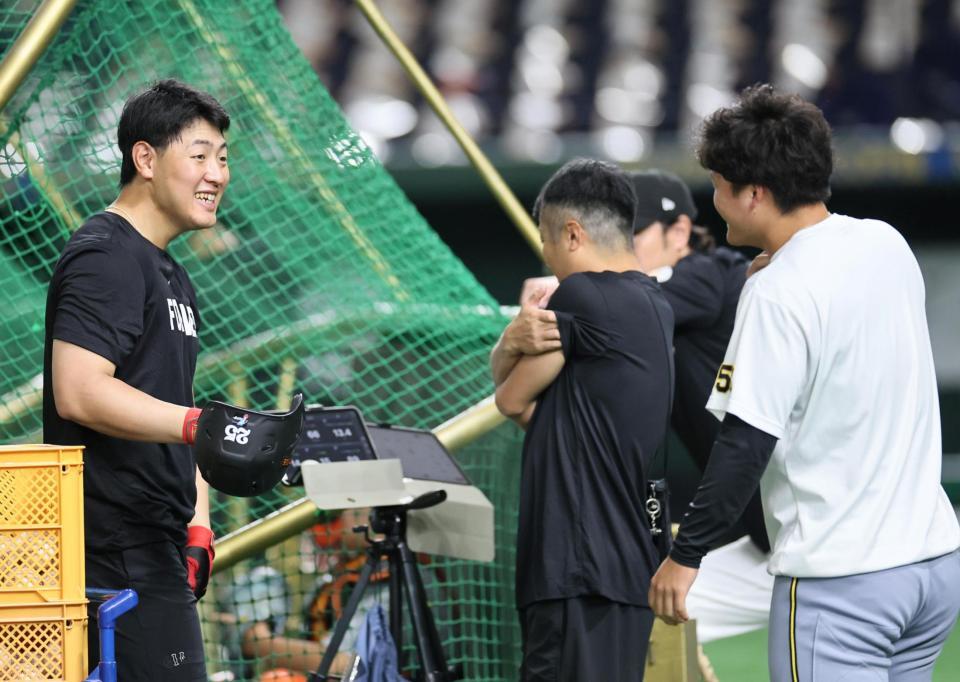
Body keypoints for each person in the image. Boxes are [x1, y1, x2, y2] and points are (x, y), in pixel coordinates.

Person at [648, 83, 960, 680]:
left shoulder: (775, 291)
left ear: (755, 194)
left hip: (843, 587)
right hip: (933, 571)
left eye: (719, 185)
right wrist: (776, 264)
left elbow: (743, 447)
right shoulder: (885, 242)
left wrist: (685, 558)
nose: (712, 198)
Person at [43, 79, 230, 681]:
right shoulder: (106, 254)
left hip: (157, 547)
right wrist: (197, 424)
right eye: (199, 155)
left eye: (222, 158)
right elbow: (79, 389)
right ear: (144, 159)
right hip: (111, 552)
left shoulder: (174, 274)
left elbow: (174, 410)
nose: (217, 174)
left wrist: (199, 521)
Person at [491, 158, 673, 680]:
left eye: (546, 241)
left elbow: (508, 398)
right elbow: (535, 413)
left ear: (571, 233)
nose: (546, 255)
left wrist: (511, 337)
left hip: (578, 568)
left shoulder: (584, 295)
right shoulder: (654, 304)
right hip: (622, 566)